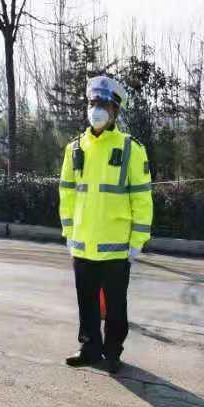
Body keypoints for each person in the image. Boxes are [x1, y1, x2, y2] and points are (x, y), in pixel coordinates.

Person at [58, 75, 153, 374]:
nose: (96, 110)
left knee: (115, 307)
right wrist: (69, 233)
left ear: (115, 110)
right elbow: (66, 194)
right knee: (86, 302)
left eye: (103, 104)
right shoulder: (75, 148)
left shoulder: (131, 149)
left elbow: (142, 199)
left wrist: (137, 241)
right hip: (83, 245)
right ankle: (89, 348)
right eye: (92, 103)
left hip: (116, 248)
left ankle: (113, 353)